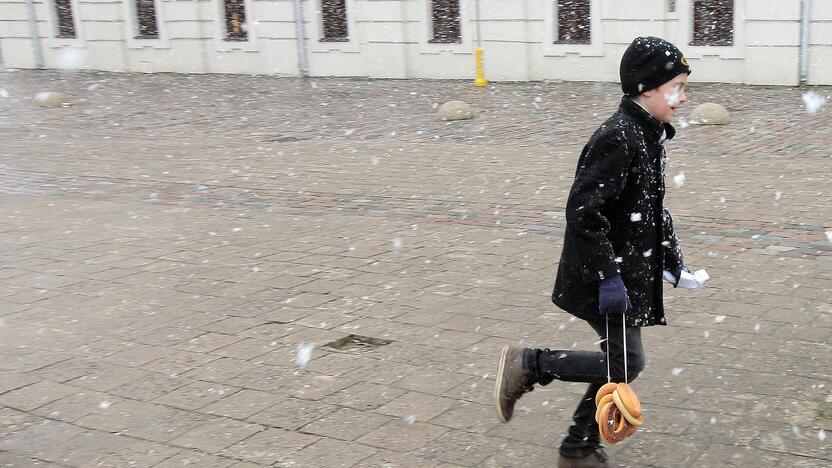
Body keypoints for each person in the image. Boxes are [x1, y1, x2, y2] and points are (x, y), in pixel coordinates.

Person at [493, 36, 696, 468]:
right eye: (676, 87)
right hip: (605, 274)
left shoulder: (647, 134)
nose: (681, 99)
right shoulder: (619, 137)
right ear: (647, 88)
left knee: (622, 360)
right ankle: (532, 369)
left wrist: (672, 257)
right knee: (626, 360)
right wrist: (607, 276)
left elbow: (651, 208)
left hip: (624, 271)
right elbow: (583, 213)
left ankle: (576, 442)